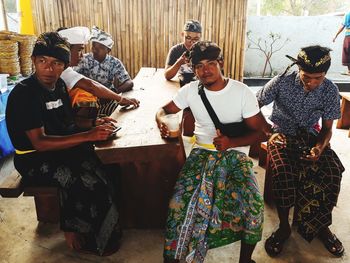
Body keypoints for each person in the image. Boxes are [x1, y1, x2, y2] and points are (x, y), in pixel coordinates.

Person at [6, 32, 121, 256]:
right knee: (87, 181)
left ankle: (91, 229)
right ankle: (84, 234)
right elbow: (39, 143)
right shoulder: (25, 94)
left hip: (58, 149)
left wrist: (93, 123)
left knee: (105, 169)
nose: (49, 69)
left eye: (56, 63)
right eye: (42, 62)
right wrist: (88, 135)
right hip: (33, 159)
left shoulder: (58, 86)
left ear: (64, 66)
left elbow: (68, 122)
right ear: (33, 62)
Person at [156, 41, 265, 263]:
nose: (205, 71)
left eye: (211, 64)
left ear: (221, 64)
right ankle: (174, 258)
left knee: (253, 203)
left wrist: (231, 142)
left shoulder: (241, 92)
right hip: (201, 153)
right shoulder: (190, 91)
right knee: (178, 204)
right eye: (199, 66)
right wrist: (161, 121)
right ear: (193, 69)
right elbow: (164, 109)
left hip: (235, 155)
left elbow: (260, 133)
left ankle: (245, 260)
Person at [256, 45, 345, 258]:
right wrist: (269, 133)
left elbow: (327, 129)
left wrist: (319, 148)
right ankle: (284, 227)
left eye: (318, 78)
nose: (312, 83)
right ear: (298, 69)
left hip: (311, 136)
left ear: (325, 74)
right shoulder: (281, 81)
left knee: (332, 171)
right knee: (283, 172)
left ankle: (321, 225)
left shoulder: (330, 90)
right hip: (282, 135)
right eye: (307, 77)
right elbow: (252, 104)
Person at [58, 26, 139, 117]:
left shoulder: (114, 62)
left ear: (108, 50)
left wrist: (114, 94)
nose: (81, 56)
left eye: (100, 47)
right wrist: (118, 98)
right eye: (93, 46)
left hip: (106, 98)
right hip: (91, 100)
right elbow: (90, 86)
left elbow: (128, 82)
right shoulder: (81, 62)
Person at [164, 19, 202, 87]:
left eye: (196, 39)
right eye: (188, 38)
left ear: (200, 37)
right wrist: (179, 62)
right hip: (180, 87)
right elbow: (167, 76)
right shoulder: (175, 50)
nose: (192, 42)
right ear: (182, 34)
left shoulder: (204, 51)